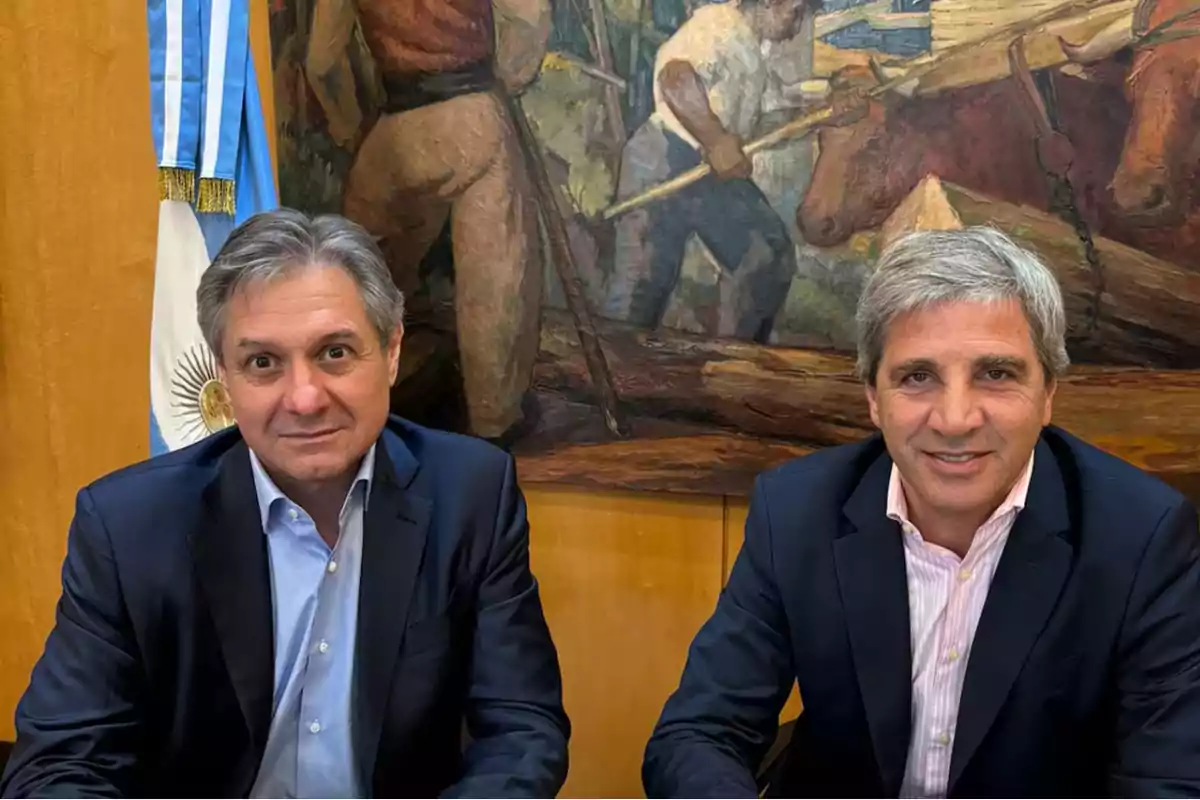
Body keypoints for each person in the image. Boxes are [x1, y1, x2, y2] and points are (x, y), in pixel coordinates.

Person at [0, 210, 570, 798]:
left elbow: (522, 732)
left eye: (335, 352)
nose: (303, 399)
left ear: (392, 351)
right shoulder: (128, 527)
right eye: (263, 363)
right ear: (224, 377)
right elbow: (59, 768)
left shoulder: (471, 493)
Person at [642, 226, 1200, 797]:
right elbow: (698, 735)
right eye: (917, 376)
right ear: (872, 398)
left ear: (1049, 393)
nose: (955, 419)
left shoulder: (1144, 539)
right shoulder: (795, 512)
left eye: (996, 374)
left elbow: (1170, 782)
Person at [305, 0, 551, 443]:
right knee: (496, 282)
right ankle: (494, 421)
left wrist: (350, 129)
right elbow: (530, 19)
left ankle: (361, 412)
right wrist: (508, 79)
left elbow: (321, 63)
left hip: (393, 136)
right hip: (473, 119)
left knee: (369, 274)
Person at [603, 0, 819, 343]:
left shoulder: (753, 52)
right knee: (642, 287)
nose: (796, 27)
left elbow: (763, 125)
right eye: (795, 13)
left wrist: (825, 114)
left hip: (707, 171)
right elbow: (675, 77)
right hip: (663, 158)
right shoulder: (719, 25)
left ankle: (733, 362)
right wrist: (715, 138)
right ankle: (614, 372)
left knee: (766, 255)